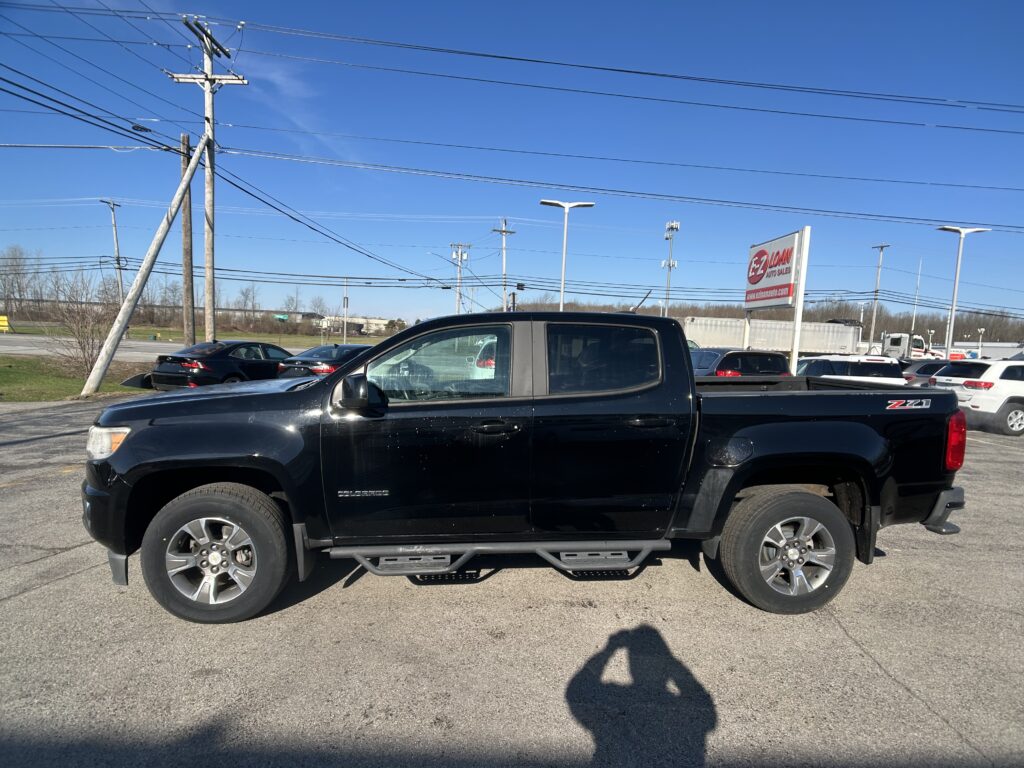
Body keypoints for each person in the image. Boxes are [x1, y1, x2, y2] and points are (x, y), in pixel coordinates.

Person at [566, 625, 717, 767]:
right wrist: (670, 661)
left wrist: (609, 649)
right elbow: (699, 694)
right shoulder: (689, 710)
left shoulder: (619, 700)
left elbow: (576, 691)